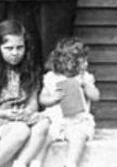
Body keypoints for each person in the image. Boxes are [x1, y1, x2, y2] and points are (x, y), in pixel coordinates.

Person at [0, 20, 50, 167]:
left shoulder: (31, 70)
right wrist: (5, 114)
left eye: (20, 48)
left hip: (20, 119)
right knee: (21, 130)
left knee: (44, 124)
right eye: (9, 48)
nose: (15, 53)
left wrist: (28, 112)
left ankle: (20, 163)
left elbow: (33, 103)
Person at [39, 38, 100, 167]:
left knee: (79, 137)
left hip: (77, 121)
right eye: (79, 61)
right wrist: (53, 98)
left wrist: (85, 86)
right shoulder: (51, 77)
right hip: (56, 120)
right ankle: (37, 162)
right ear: (62, 62)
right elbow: (42, 99)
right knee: (43, 134)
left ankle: (71, 163)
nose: (84, 64)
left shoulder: (85, 78)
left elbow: (96, 96)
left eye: (84, 60)